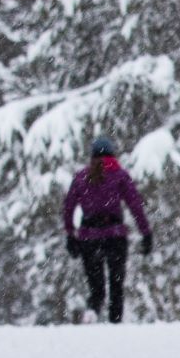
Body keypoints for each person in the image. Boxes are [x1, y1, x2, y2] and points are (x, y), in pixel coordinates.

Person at [61, 137, 150, 322]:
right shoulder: (120, 175)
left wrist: (70, 234)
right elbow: (135, 205)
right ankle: (114, 324)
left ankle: (92, 311)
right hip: (115, 235)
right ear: (112, 154)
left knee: (96, 287)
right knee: (116, 284)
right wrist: (145, 232)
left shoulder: (81, 177)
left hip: (89, 236)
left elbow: (68, 206)